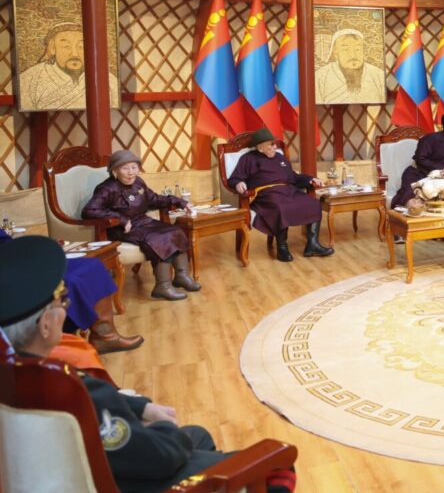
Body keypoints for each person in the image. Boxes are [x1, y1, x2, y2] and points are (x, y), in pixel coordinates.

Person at [0, 236, 297, 493]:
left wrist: (141, 407)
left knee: (199, 435)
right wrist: (164, 428)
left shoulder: (22, 372)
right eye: (62, 305)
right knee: (278, 466)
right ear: (46, 325)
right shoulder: (73, 393)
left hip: (73, 468)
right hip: (131, 481)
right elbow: (158, 458)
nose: (66, 311)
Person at [0, 228, 141, 354]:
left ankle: (106, 336)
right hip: (8, 272)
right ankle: (61, 342)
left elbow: (6, 242)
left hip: (12, 261)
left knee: (91, 266)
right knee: (70, 279)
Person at [82, 150, 200, 301]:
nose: (131, 172)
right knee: (160, 238)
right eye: (125, 168)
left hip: (143, 223)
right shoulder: (107, 188)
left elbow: (154, 199)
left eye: (134, 167)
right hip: (121, 229)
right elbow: (89, 210)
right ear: (115, 171)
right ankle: (162, 286)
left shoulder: (138, 182)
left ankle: (182, 276)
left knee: (176, 230)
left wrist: (179, 201)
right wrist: (121, 219)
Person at [227, 128, 333, 262]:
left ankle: (312, 245)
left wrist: (309, 179)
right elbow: (234, 178)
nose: (275, 147)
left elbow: (293, 177)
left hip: (289, 192)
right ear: (260, 147)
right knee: (280, 207)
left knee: (313, 204)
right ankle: (282, 247)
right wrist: (239, 183)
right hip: (267, 195)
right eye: (271, 144)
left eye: (275, 143)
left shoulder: (280, 158)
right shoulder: (249, 159)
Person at [18, 23, 119, 111]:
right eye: (66, 47)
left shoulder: (107, 79)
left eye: (81, 47)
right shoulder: (30, 78)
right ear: (52, 48)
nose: (74, 54)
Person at [391, 112, 444, 209]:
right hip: (416, 174)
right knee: (410, 198)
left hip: (436, 178)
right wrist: (442, 167)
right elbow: (420, 159)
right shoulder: (430, 138)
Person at [315, 29, 386, 104]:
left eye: (357, 49)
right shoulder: (320, 77)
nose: (353, 55)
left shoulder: (378, 75)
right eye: (346, 50)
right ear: (335, 52)